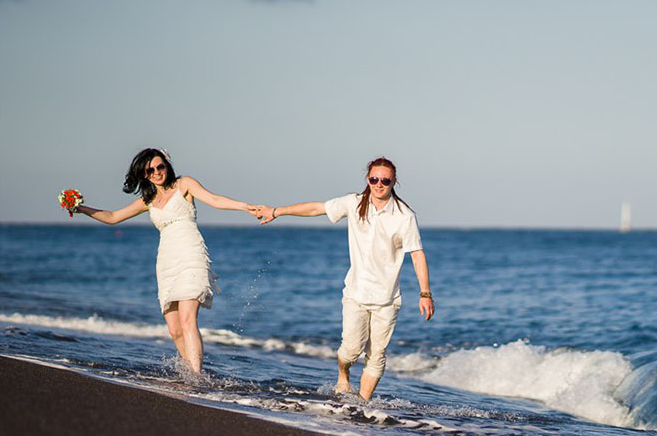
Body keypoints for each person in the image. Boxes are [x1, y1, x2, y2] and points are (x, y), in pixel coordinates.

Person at [252, 156, 434, 400]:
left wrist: (425, 293)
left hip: (388, 299)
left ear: (394, 182)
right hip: (356, 294)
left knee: (377, 355)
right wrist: (277, 211)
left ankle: (362, 404)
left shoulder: (404, 216)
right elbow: (317, 208)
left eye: (385, 180)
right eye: (374, 179)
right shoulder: (354, 203)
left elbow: (417, 254)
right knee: (350, 351)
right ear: (367, 180)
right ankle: (343, 375)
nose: (379, 184)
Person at [71, 148, 256, 373]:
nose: (158, 172)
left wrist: (245, 206)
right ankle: (190, 372)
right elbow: (112, 217)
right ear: (145, 175)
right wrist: (80, 208)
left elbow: (215, 199)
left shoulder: (184, 184)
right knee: (175, 330)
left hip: (191, 253)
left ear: (167, 165)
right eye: (151, 170)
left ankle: (196, 377)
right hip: (167, 261)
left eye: (161, 166)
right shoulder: (147, 200)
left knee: (188, 320)